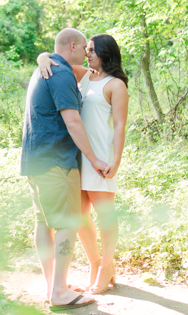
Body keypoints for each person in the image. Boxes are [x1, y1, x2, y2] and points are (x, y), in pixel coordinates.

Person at [21, 27, 109, 311]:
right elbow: (72, 121)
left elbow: (84, 71)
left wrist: (42, 55)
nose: (86, 54)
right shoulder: (59, 75)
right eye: (84, 48)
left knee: (44, 224)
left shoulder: (46, 70)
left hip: (35, 162)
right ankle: (59, 291)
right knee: (68, 223)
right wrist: (95, 159)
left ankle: (53, 287)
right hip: (56, 161)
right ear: (73, 46)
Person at [37, 33, 129, 294]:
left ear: (105, 53)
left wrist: (116, 159)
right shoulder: (85, 75)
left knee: (105, 216)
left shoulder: (115, 85)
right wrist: (42, 57)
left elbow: (120, 125)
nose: (87, 53)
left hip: (102, 157)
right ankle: (95, 263)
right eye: (86, 49)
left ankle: (106, 267)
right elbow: (57, 59)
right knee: (79, 215)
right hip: (80, 155)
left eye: (92, 50)